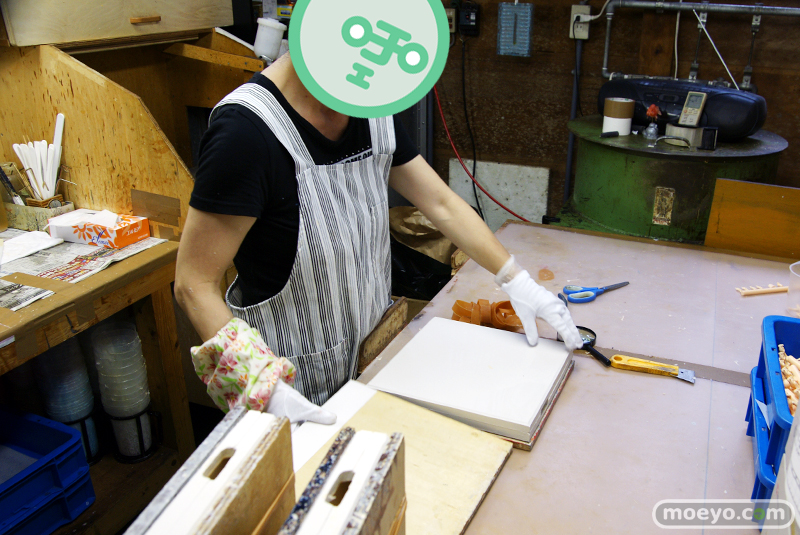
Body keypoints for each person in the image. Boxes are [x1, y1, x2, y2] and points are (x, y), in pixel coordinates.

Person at [174, 51, 582, 423]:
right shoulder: (245, 134)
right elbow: (194, 284)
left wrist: (515, 279)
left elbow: (440, 203)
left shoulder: (368, 97)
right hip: (290, 385)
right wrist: (263, 388)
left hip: (373, 363)